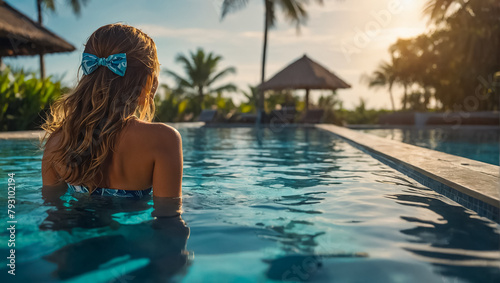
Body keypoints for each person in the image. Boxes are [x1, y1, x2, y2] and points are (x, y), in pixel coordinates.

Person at [41, 23, 182, 198]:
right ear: (148, 82)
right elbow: (169, 218)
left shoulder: (57, 142)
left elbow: (53, 216)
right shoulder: (163, 138)